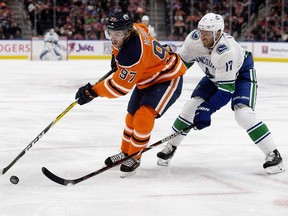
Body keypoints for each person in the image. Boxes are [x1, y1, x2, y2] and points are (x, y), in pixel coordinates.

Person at [156, 13, 285, 174]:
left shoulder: (226, 52)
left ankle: (273, 154)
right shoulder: (193, 39)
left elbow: (226, 91)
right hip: (214, 76)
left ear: (218, 33)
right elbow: (180, 65)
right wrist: (163, 71)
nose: (202, 37)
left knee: (243, 113)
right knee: (191, 106)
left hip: (241, 76)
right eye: (201, 32)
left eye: (207, 33)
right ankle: (171, 146)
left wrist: (208, 108)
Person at [75, 11, 187, 177]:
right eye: (110, 32)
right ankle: (125, 152)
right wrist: (116, 59)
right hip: (147, 77)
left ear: (127, 33)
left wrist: (92, 91)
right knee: (131, 116)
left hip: (168, 77)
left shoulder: (133, 53)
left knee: (143, 115)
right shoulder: (133, 29)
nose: (113, 37)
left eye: (117, 34)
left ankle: (134, 156)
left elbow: (119, 88)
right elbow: (144, 28)